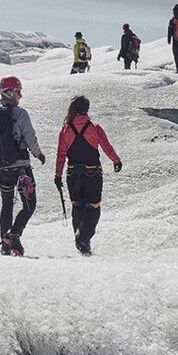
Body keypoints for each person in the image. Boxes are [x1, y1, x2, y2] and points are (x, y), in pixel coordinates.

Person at [0, 75, 46, 256]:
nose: (20, 96)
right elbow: (30, 137)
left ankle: (5, 244)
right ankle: (14, 234)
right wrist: (38, 154)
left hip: (2, 169)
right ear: (11, 92)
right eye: (18, 92)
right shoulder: (19, 114)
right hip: (21, 168)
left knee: (6, 205)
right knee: (29, 204)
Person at [54, 96, 121, 256]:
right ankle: (83, 238)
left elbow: (61, 154)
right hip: (92, 173)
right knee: (93, 208)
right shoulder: (94, 127)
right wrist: (116, 160)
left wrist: (57, 175)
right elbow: (106, 147)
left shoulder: (65, 129)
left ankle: (82, 244)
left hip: (72, 174)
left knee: (77, 207)